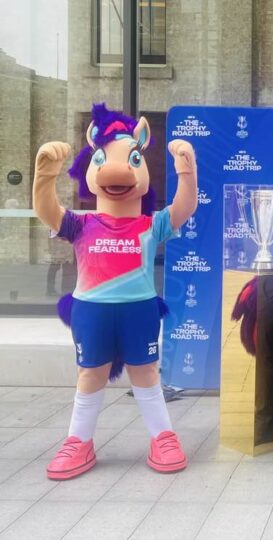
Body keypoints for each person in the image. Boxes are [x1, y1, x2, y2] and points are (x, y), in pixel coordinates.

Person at [32, 103, 197, 480]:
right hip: (92, 309)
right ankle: (78, 441)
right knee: (90, 374)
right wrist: (45, 175)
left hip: (139, 309)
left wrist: (187, 171)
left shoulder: (150, 224)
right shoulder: (81, 223)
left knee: (146, 373)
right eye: (103, 159)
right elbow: (47, 210)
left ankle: (163, 437)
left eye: (133, 159)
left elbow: (184, 207)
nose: (118, 171)